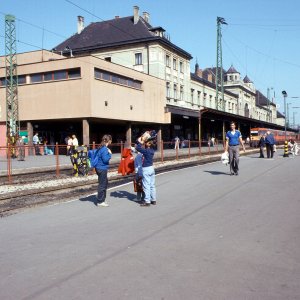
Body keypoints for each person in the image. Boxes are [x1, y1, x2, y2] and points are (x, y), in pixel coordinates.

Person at [135, 132, 157, 207]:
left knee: (146, 185)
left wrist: (142, 141)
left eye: (146, 143)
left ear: (148, 144)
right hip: (151, 168)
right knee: (152, 185)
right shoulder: (152, 151)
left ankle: (147, 201)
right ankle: (153, 200)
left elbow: (137, 148)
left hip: (146, 169)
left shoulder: (146, 151)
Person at [95, 134, 112, 207]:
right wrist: (110, 154)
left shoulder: (100, 147)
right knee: (102, 185)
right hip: (102, 168)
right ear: (109, 141)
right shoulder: (105, 149)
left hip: (98, 168)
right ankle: (100, 201)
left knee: (103, 183)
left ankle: (102, 198)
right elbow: (105, 160)